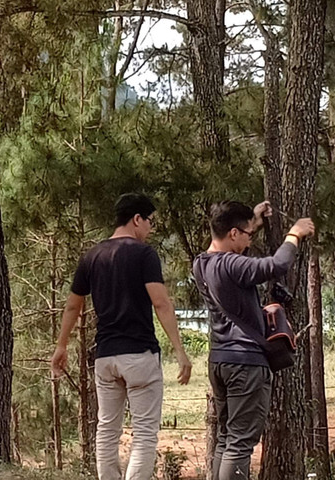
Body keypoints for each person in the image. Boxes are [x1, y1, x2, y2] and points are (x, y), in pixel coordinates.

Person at [51, 193, 193, 480]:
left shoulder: (91, 256)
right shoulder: (144, 255)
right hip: (139, 354)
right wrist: (180, 350)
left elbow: (72, 305)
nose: (150, 229)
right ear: (137, 219)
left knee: (107, 429)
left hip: (105, 356)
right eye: (150, 222)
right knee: (144, 434)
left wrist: (61, 345)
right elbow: (161, 302)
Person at [192, 201, 315, 480]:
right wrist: (294, 234)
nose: (250, 238)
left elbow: (238, 255)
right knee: (241, 442)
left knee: (226, 438)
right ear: (233, 233)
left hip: (220, 359)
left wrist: (254, 223)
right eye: (248, 233)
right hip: (245, 363)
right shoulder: (233, 264)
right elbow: (278, 264)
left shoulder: (201, 264)